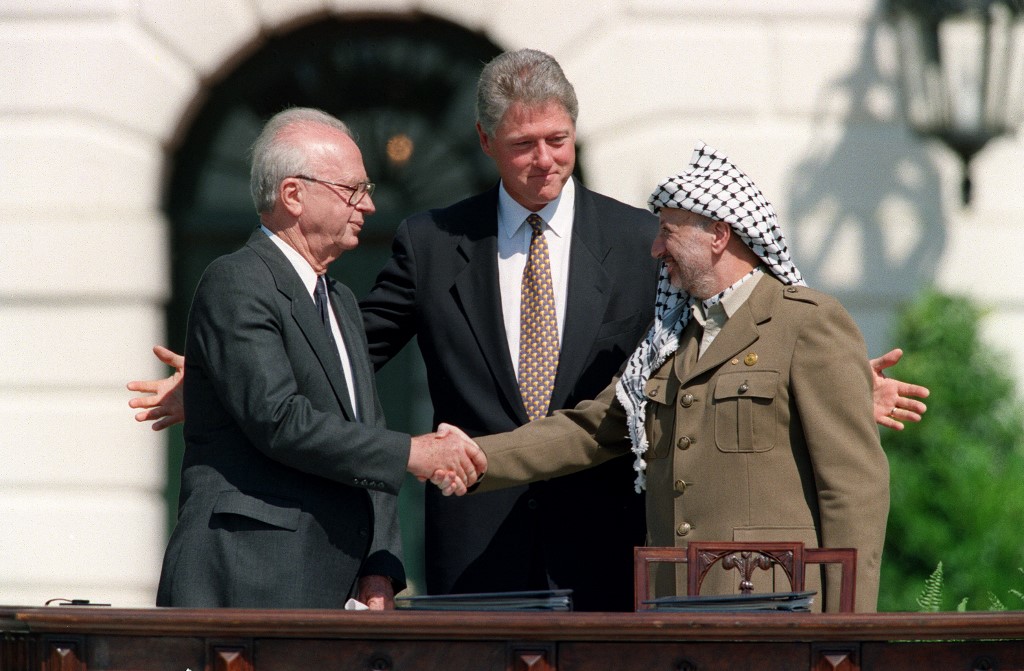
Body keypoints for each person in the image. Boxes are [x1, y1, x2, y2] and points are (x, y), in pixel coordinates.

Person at [130, 51, 928, 611]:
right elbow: (341, 356)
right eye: (523, 144)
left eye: (559, 140)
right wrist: (217, 381)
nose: (545, 160)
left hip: (620, 554)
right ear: (486, 144)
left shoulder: (632, 236)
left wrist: (846, 384)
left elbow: (733, 351)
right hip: (479, 552)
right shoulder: (433, 240)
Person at [446, 142, 892, 613]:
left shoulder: (806, 322)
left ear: (719, 235)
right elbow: (590, 428)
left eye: (667, 233)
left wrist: (849, 628)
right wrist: (475, 457)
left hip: (773, 607)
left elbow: (853, 486)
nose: (656, 250)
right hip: (672, 606)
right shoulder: (668, 339)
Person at [155, 107, 485, 610]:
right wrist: (413, 453)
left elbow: (364, 427)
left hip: (332, 591)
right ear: (293, 195)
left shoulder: (342, 301)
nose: (369, 206)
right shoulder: (237, 281)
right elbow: (280, 419)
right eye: (353, 190)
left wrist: (380, 567)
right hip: (249, 582)